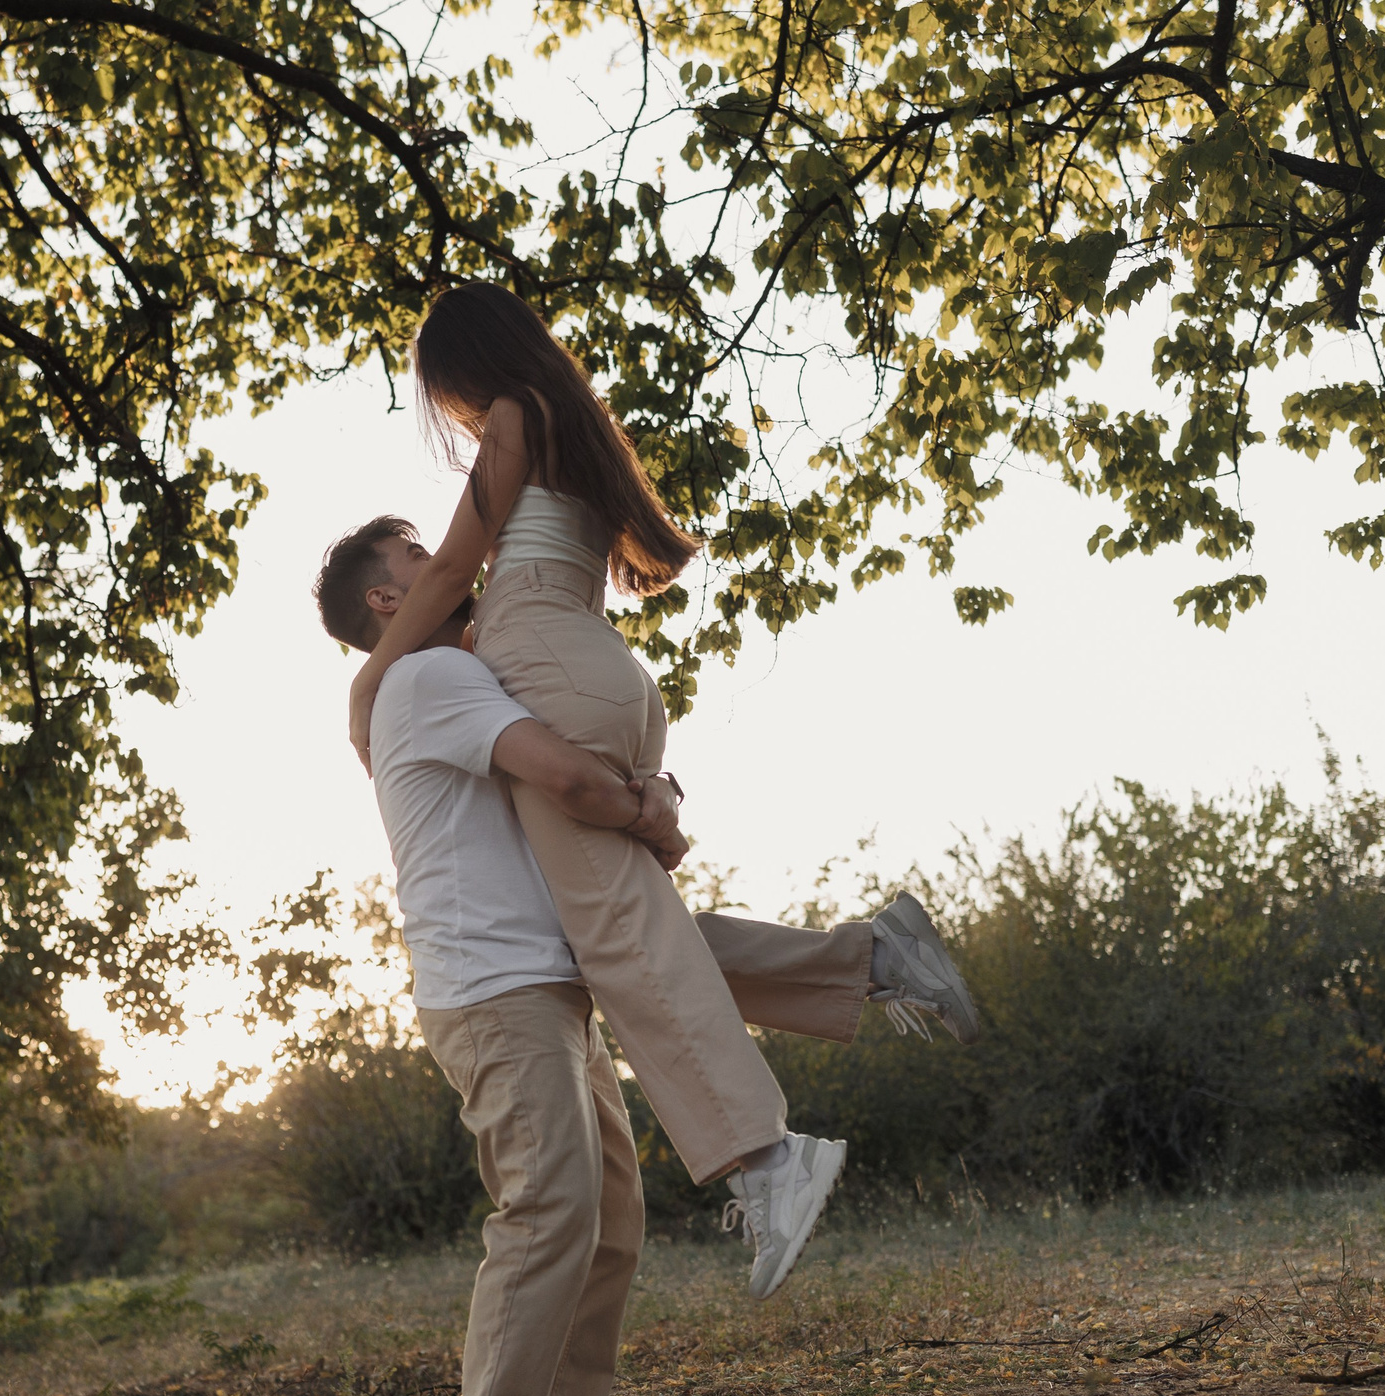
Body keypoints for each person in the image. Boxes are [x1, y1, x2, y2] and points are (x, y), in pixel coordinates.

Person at [317, 513, 969, 1396]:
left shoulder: (457, 676)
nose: (454, 559)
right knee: (550, 1207)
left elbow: (590, 777)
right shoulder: (426, 680)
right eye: (419, 558)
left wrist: (656, 794)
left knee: (611, 1223)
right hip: (494, 992)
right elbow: (574, 780)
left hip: (559, 975)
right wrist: (647, 810)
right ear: (388, 601)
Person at [342, 282, 979, 1298]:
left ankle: (767, 1158)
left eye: (448, 394)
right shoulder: (571, 421)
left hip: (543, 661)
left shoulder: (513, 418)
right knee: (624, 933)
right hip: (597, 667)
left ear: (470, 367)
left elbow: (455, 565)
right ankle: (872, 960)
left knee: (619, 939)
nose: (455, 415)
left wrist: (367, 682)